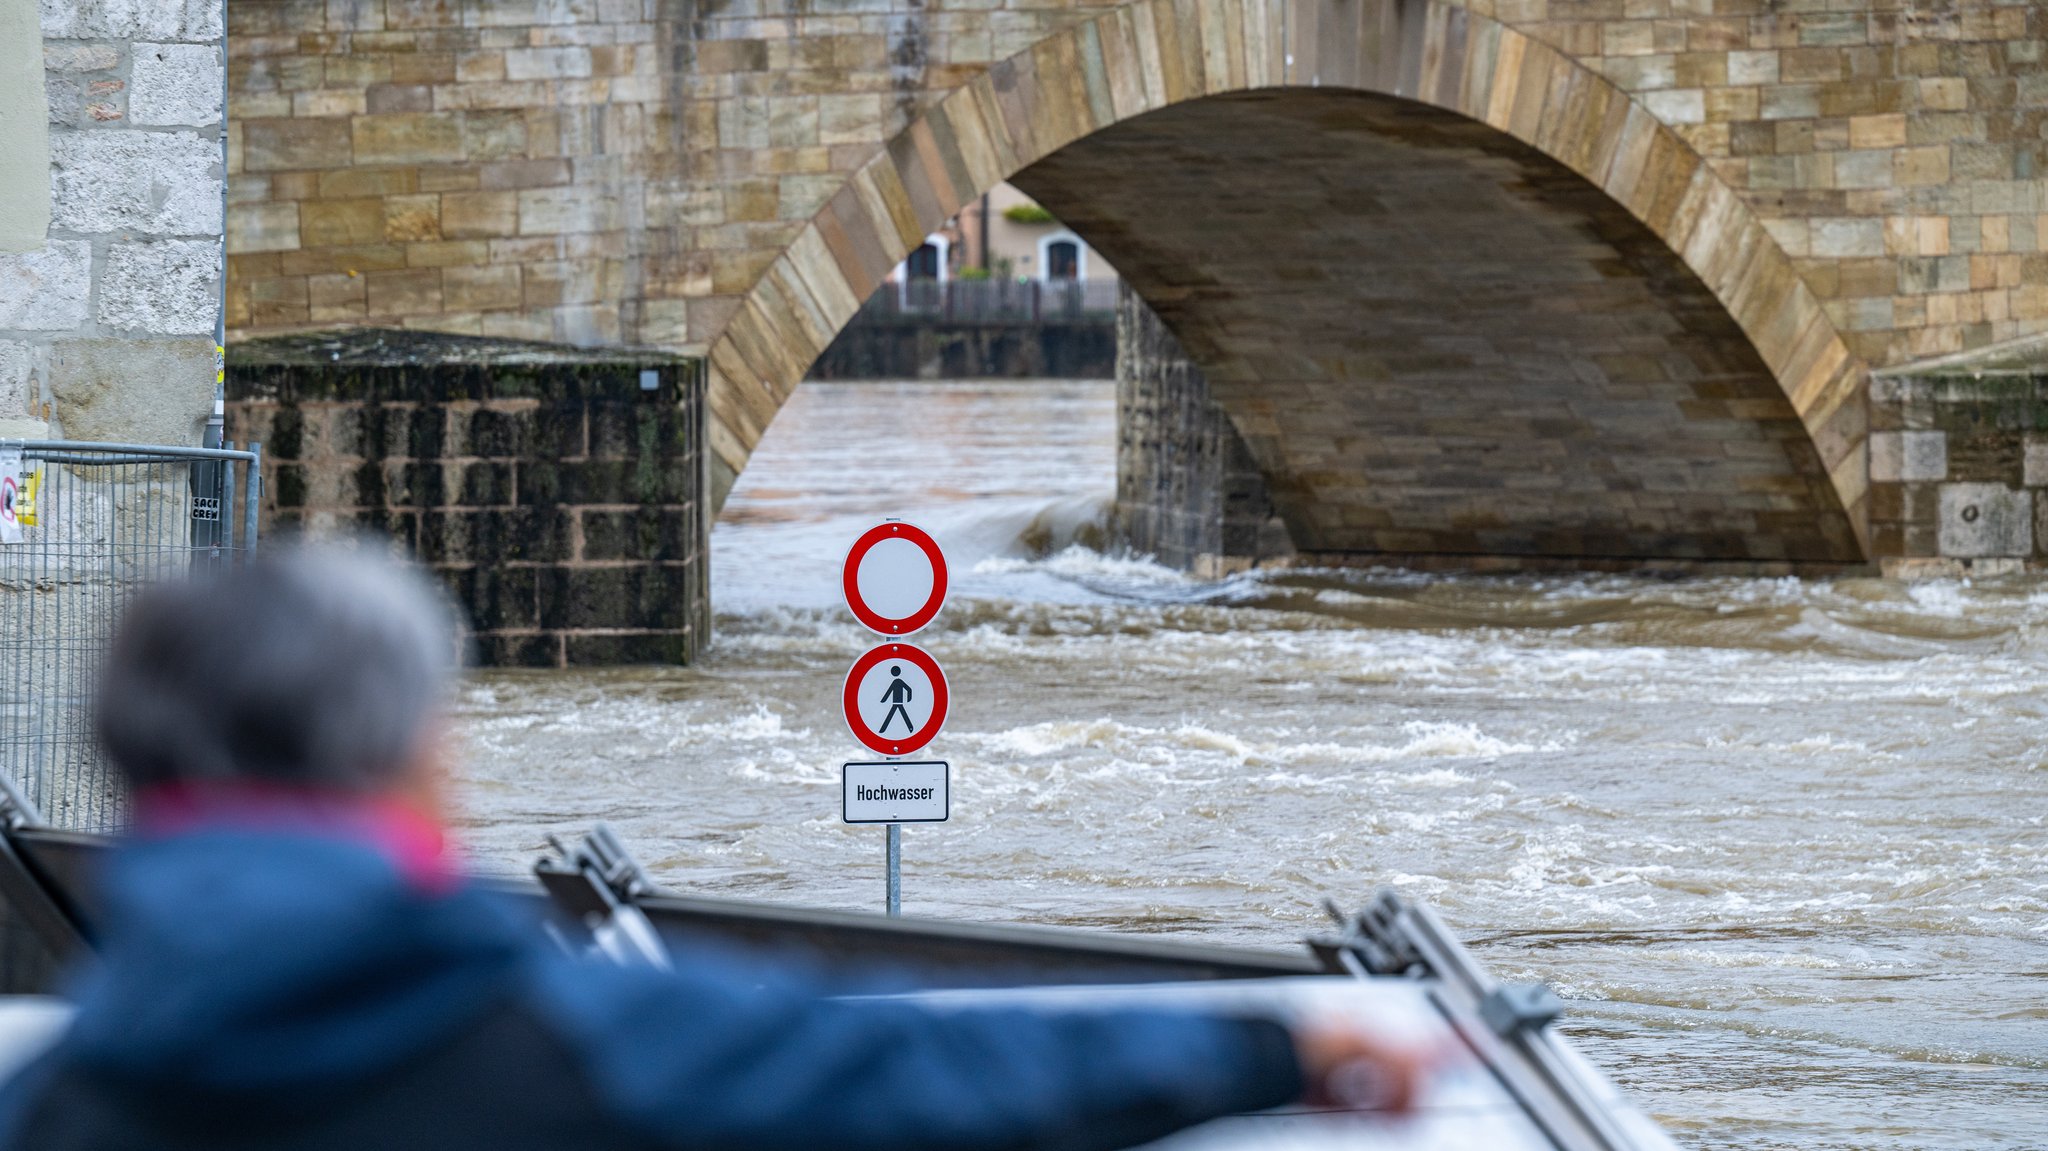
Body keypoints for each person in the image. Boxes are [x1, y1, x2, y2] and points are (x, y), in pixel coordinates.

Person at [0, 546, 1428, 1149]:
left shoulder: (60, 1097)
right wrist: (1279, 1048)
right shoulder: (564, 1039)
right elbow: (908, 1077)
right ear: (407, 765)